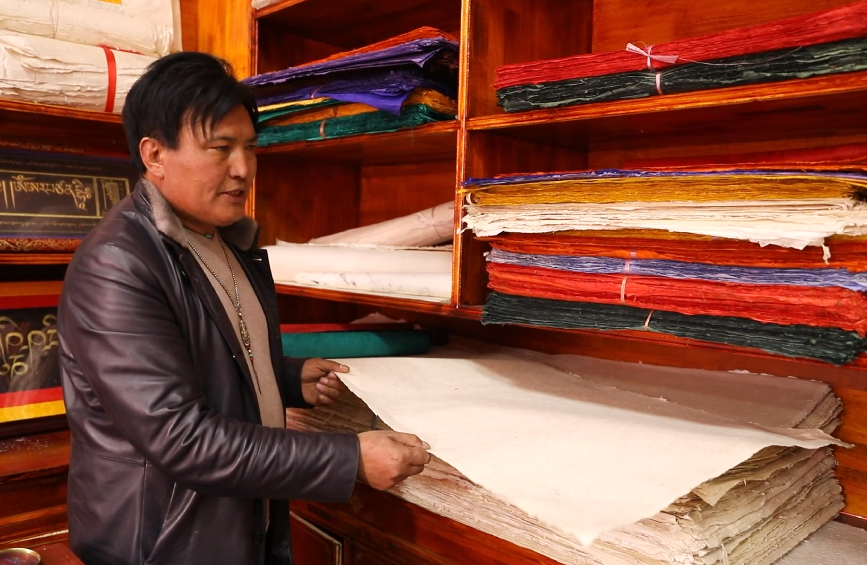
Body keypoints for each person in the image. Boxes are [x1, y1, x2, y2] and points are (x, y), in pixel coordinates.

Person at [58, 52, 431, 565]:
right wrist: (350, 459)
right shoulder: (118, 265)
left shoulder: (224, 240)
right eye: (221, 149)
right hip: (162, 541)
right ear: (155, 155)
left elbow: (210, 356)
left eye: (250, 148)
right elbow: (180, 438)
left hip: (232, 522)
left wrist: (286, 377)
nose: (243, 169)